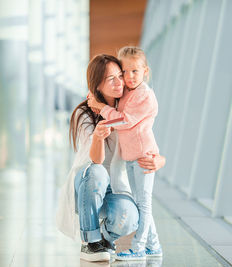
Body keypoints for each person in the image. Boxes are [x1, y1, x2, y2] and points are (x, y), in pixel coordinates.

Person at [56, 54, 166, 262]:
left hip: (114, 188)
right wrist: (98, 137)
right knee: (97, 171)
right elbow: (95, 161)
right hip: (88, 186)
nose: (120, 82)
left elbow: (144, 139)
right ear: (97, 85)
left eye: (120, 75)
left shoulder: (125, 109)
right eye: (111, 79)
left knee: (132, 215)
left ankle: (104, 239)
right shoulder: (85, 114)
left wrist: (160, 160)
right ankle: (90, 241)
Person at [87, 46, 162, 261]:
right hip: (132, 157)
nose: (128, 77)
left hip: (144, 157)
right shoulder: (130, 92)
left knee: (144, 204)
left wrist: (101, 107)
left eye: (134, 72)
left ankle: (139, 247)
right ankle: (154, 246)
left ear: (145, 71)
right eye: (124, 72)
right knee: (141, 203)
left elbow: (123, 120)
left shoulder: (145, 96)